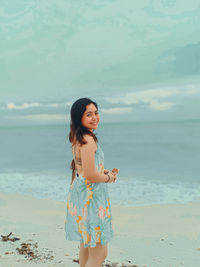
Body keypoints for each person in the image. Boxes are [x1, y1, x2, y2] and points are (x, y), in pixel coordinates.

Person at [65, 98, 118, 267]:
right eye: (89, 114)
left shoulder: (79, 137)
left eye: (96, 113)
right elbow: (89, 174)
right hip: (91, 197)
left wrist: (102, 171)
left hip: (83, 195)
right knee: (100, 253)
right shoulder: (88, 140)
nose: (95, 117)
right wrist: (109, 178)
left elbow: (83, 168)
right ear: (78, 117)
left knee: (87, 244)